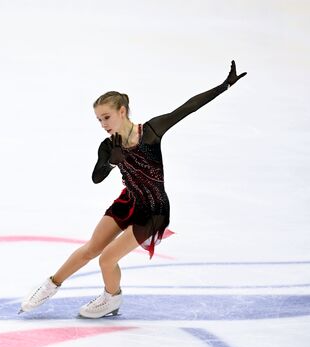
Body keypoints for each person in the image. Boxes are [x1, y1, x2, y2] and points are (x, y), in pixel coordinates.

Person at [19, 61, 247, 318]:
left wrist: (224, 86)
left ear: (122, 111)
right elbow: (97, 177)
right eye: (99, 119)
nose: (103, 124)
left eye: (106, 117)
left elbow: (186, 108)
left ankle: (111, 298)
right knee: (91, 249)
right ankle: (50, 285)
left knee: (106, 259)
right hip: (129, 202)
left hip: (154, 212)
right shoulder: (108, 145)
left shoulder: (150, 132)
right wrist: (111, 162)